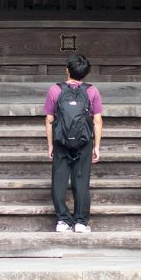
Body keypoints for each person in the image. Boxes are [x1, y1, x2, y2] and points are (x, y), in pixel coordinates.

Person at [43, 53, 102, 233]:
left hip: (61, 140)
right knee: (81, 180)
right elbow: (97, 120)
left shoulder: (55, 90)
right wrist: (96, 146)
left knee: (59, 180)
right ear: (85, 73)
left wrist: (51, 144)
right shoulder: (92, 91)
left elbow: (49, 119)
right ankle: (80, 222)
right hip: (84, 141)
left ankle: (62, 221)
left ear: (67, 69)